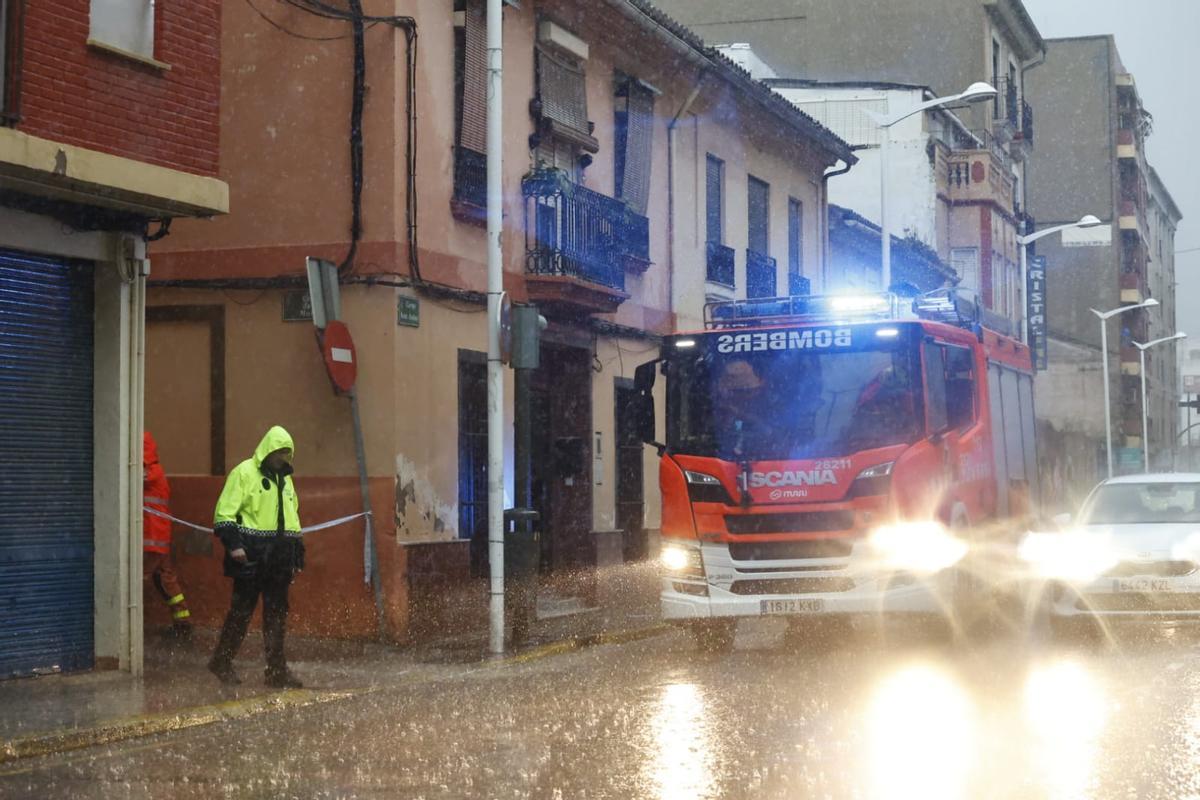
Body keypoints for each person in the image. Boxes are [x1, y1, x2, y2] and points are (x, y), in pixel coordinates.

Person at [207, 426, 305, 688]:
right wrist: (234, 545)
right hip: (250, 558)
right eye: (279, 452)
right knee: (241, 614)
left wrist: (296, 553)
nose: (283, 457)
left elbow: (292, 518)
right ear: (268, 450)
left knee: (276, 616)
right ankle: (222, 661)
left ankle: (276, 670)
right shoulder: (244, 473)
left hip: (278, 560)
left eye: (286, 452)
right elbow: (224, 513)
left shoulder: (285, 480)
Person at [143, 432, 192, 639]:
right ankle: (183, 623)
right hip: (157, 538)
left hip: (152, 540)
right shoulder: (155, 471)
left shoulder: (149, 472)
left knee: (139, 579)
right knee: (166, 578)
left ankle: (129, 627)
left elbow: (126, 476)